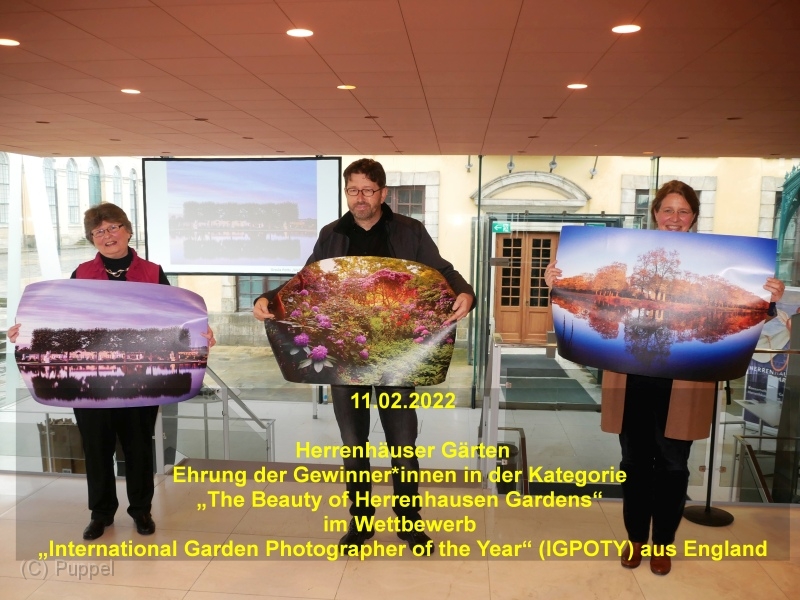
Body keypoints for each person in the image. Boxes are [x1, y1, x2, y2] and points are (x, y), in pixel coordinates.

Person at [544, 180, 784, 575]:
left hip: (686, 383)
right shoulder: (631, 258)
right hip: (631, 378)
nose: (675, 218)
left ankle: (663, 544)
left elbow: (752, 317)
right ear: (655, 213)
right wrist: (558, 282)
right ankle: (636, 539)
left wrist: (767, 299)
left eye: (683, 211)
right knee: (634, 463)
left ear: (693, 217)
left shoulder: (713, 262)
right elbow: (592, 302)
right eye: (668, 210)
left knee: (674, 465)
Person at [253, 158, 474, 556]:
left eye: (367, 191)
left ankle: (409, 523)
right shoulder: (332, 234)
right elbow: (305, 281)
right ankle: (361, 522)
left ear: (383, 193)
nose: (360, 198)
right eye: (352, 190)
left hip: (398, 357)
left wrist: (465, 292)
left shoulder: (410, 232)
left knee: (402, 444)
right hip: (345, 359)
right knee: (354, 443)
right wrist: (268, 297)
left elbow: (442, 271)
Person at [8, 203, 216, 541]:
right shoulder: (80, 274)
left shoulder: (152, 272)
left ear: (128, 230)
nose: (108, 235)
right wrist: (26, 332)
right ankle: (101, 513)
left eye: (113, 227)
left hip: (142, 378)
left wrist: (201, 335)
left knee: (137, 447)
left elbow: (176, 320)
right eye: (99, 231)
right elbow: (61, 322)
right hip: (90, 380)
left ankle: (141, 511)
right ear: (92, 238)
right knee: (96, 448)